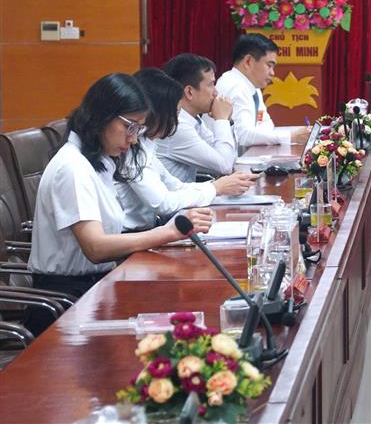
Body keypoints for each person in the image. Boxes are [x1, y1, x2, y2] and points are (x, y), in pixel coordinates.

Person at [26, 73, 213, 333]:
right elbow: (96, 247)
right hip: (65, 302)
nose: (134, 139)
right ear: (102, 117)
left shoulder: (101, 162)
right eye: (130, 127)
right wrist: (168, 233)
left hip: (96, 287)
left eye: (139, 129)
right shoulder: (73, 168)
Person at [116, 69, 257, 232]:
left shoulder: (145, 143)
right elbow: (162, 203)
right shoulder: (130, 147)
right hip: (132, 235)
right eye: (175, 113)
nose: (176, 120)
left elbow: (174, 186)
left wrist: (221, 185)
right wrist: (216, 188)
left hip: (150, 228)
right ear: (157, 113)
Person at [215, 33, 311, 147]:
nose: (272, 73)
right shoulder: (234, 86)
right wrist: (291, 137)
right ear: (248, 61)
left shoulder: (253, 88)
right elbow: (244, 135)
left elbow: (267, 126)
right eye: (269, 65)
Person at [158, 53, 238, 182]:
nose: (216, 92)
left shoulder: (194, 119)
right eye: (211, 85)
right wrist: (222, 119)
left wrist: (227, 121)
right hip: (174, 194)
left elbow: (230, 158)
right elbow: (225, 166)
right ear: (189, 92)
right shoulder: (177, 126)